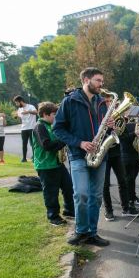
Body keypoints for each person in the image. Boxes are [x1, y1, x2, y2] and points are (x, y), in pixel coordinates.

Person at [53, 67, 113, 247]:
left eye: (102, 81)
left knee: (95, 196)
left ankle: (92, 233)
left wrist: (111, 126)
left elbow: (106, 129)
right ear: (86, 80)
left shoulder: (103, 102)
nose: (101, 85)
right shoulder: (69, 101)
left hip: (100, 155)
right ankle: (81, 231)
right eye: (98, 80)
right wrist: (79, 143)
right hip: (78, 154)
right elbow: (58, 129)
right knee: (81, 194)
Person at [32, 102, 75, 226]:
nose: (56, 117)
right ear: (45, 114)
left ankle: (69, 210)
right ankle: (53, 216)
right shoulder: (39, 126)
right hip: (46, 165)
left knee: (68, 187)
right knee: (51, 192)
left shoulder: (51, 125)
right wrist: (64, 139)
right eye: (54, 114)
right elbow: (47, 146)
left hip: (57, 163)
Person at [102, 93, 139, 221]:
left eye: (109, 101)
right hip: (103, 152)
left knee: (123, 181)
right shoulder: (97, 116)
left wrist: (114, 129)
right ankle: (108, 211)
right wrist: (106, 128)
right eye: (105, 101)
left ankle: (126, 208)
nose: (108, 104)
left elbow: (123, 137)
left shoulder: (117, 118)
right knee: (105, 184)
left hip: (117, 152)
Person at [13, 95, 37, 162]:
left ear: (20, 101)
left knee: (33, 143)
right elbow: (21, 120)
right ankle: (24, 158)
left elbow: (36, 112)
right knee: (24, 143)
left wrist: (28, 111)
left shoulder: (30, 106)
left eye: (17, 103)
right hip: (24, 128)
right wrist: (17, 117)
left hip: (32, 127)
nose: (16, 104)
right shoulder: (19, 109)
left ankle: (35, 157)